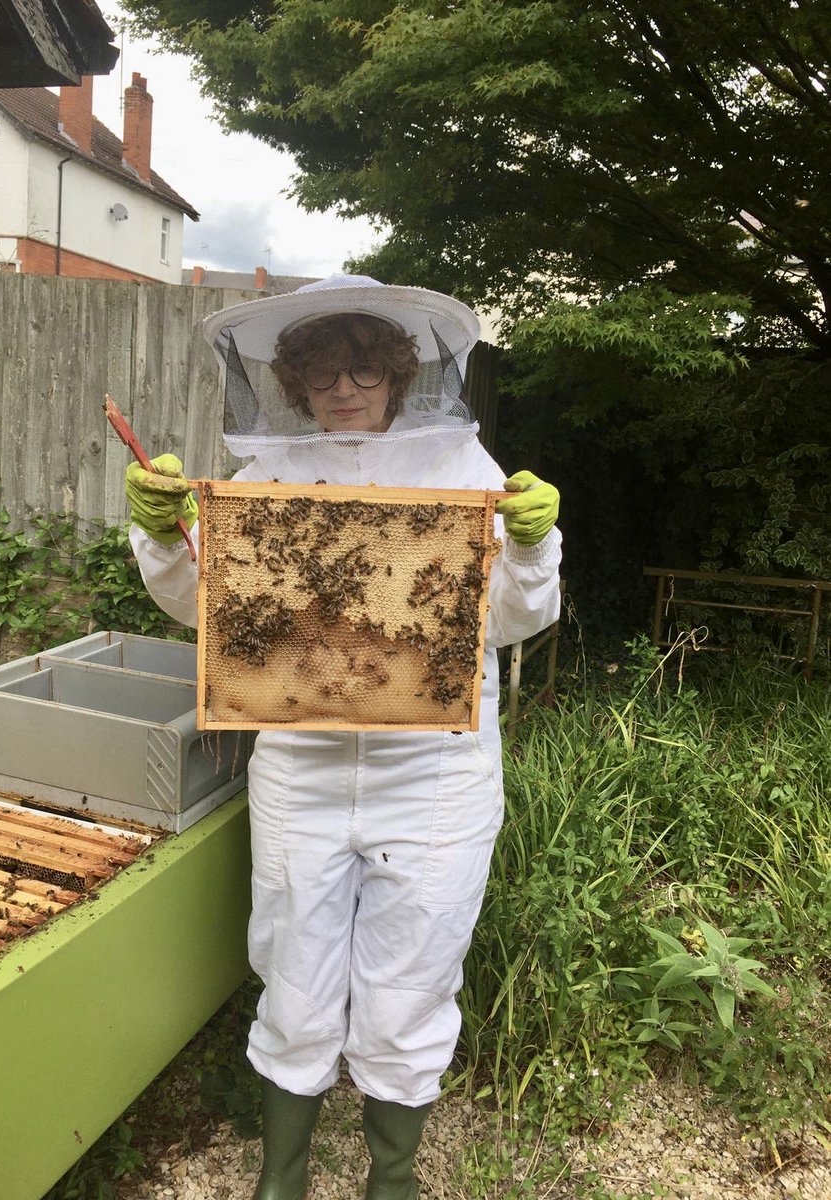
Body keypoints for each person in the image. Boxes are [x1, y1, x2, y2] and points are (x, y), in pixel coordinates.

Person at [124, 275, 562, 1200]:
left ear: (401, 373)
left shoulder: (462, 469)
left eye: (363, 370)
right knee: (294, 970)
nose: (344, 392)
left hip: (434, 771)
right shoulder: (263, 479)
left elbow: (513, 620)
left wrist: (529, 549)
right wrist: (165, 538)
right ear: (294, 386)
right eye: (322, 377)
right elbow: (211, 609)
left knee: (415, 973)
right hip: (302, 765)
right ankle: (281, 1180)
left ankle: (389, 1182)